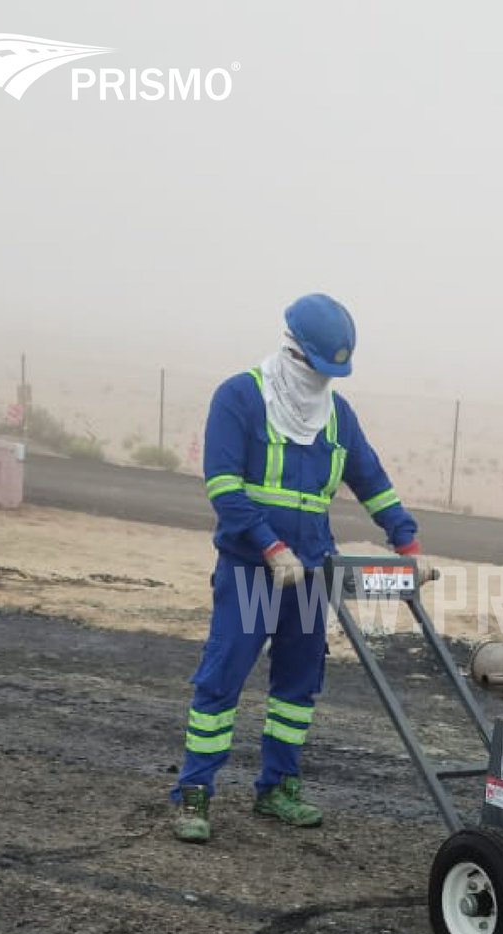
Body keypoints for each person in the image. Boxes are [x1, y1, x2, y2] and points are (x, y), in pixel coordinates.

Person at [171, 294, 420, 843]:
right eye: (317, 368)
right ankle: (194, 792)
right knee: (223, 679)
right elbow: (224, 486)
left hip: (310, 577)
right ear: (293, 351)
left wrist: (406, 541)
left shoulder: (336, 414)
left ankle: (278, 787)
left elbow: (371, 480)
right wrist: (269, 546)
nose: (322, 380)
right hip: (251, 572)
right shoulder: (240, 397)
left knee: (298, 686)